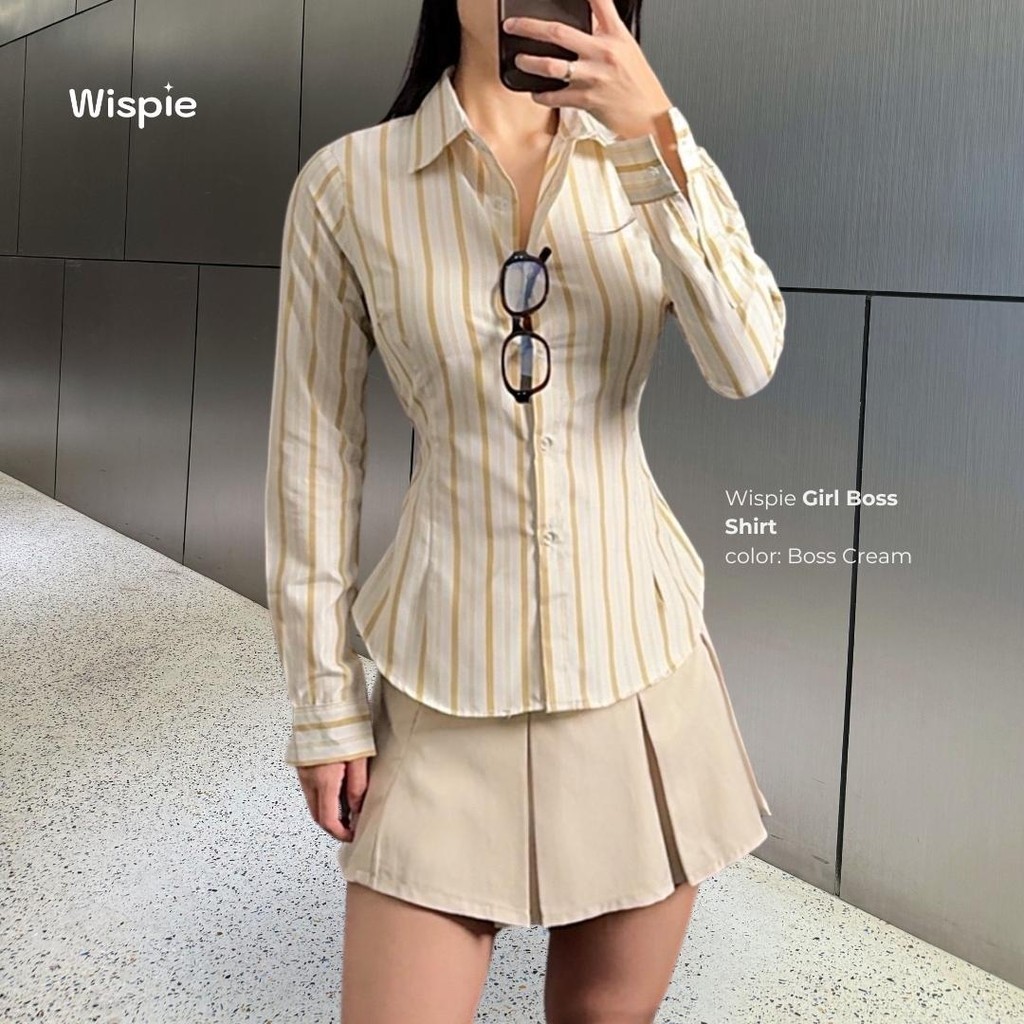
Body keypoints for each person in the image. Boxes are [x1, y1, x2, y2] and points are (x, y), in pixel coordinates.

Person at [264, 0, 786, 1020]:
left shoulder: (653, 152)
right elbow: (312, 457)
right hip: (441, 676)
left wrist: (651, 133)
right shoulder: (347, 185)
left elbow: (744, 361)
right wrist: (324, 704)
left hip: (636, 667)